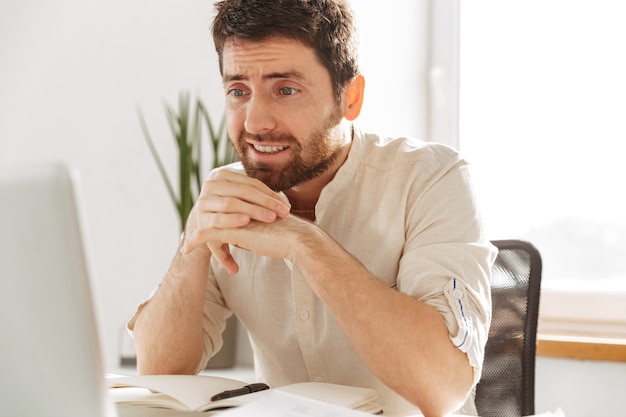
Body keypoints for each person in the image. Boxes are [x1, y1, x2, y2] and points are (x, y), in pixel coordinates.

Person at [129, 1, 496, 416]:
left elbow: (442, 388)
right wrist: (193, 242)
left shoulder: (433, 178)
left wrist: (304, 242)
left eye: (285, 90)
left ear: (350, 98)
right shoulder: (230, 196)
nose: (254, 122)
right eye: (238, 91)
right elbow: (158, 374)